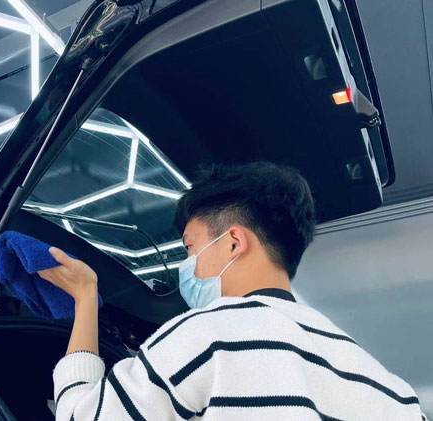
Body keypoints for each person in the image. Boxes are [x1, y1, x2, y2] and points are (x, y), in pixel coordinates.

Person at [38, 161, 427, 420]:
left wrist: (85, 298)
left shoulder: (210, 335)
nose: (188, 266)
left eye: (190, 248)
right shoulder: (391, 389)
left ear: (234, 242)